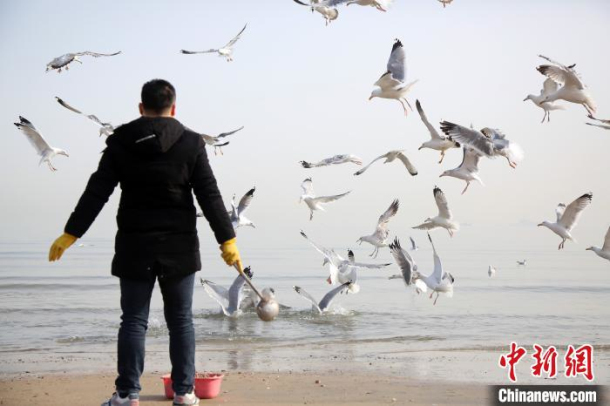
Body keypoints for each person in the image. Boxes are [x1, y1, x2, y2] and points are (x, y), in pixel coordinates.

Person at [48, 79, 242, 406]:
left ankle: (127, 394)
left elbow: (98, 190)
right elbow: (209, 195)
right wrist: (228, 240)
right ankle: (184, 393)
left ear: (141, 108)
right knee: (181, 320)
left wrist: (72, 233)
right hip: (179, 247)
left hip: (134, 247)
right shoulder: (191, 143)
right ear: (174, 108)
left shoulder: (121, 141)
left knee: (134, 320)